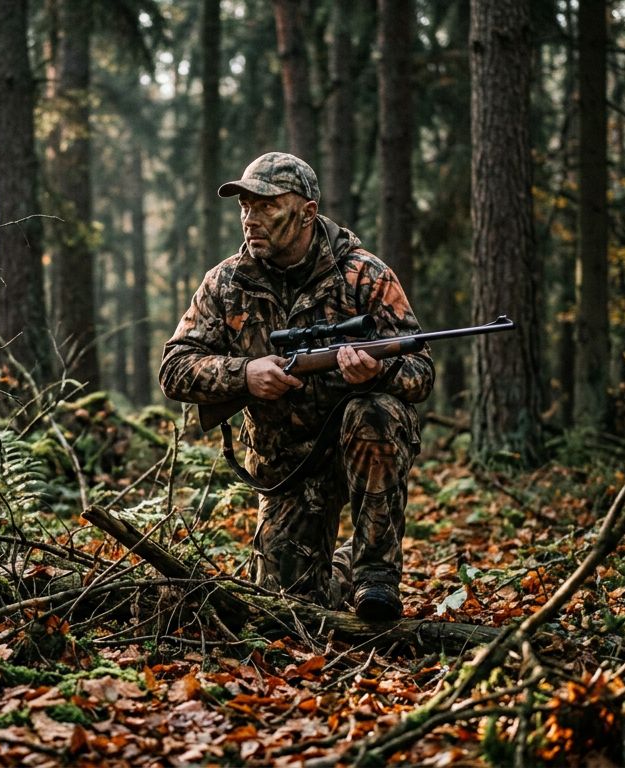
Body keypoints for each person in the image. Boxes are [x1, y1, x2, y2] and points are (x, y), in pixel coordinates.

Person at [159, 152, 434, 621]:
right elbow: (173, 369)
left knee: (374, 411)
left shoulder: (365, 275)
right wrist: (244, 374)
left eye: (267, 206)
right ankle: (342, 566)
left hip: (360, 451)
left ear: (308, 211)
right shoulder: (226, 283)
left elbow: (421, 372)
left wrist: (378, 372)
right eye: (245, 206)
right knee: (286, 609)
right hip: (286, 467)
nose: (251, 219)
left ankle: (376, 577)